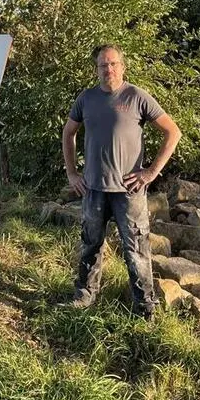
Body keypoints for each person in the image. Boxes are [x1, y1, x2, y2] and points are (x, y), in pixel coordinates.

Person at [62, 44, 182, 320]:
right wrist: (72, 173)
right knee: (91, 244)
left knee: (137, 249)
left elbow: (173, 132)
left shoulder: (137, 96)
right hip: (93, 188)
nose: (109, 69)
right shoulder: (86, 98)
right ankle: (85, 295)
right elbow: (69, 133)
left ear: (123, 66)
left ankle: (145, 308)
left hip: (129, 191)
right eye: (103, 65)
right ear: (97, 69)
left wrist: (151, 172)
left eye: (113, 63)